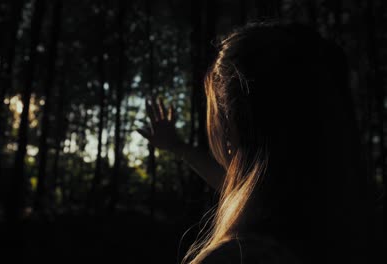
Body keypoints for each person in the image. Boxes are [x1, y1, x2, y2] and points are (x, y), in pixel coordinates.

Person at [136, 22, 368, 264]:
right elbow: (243, 186)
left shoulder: (239, 256)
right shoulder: (340, 226)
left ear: (229, 125)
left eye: (216, 113)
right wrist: (178, 147)